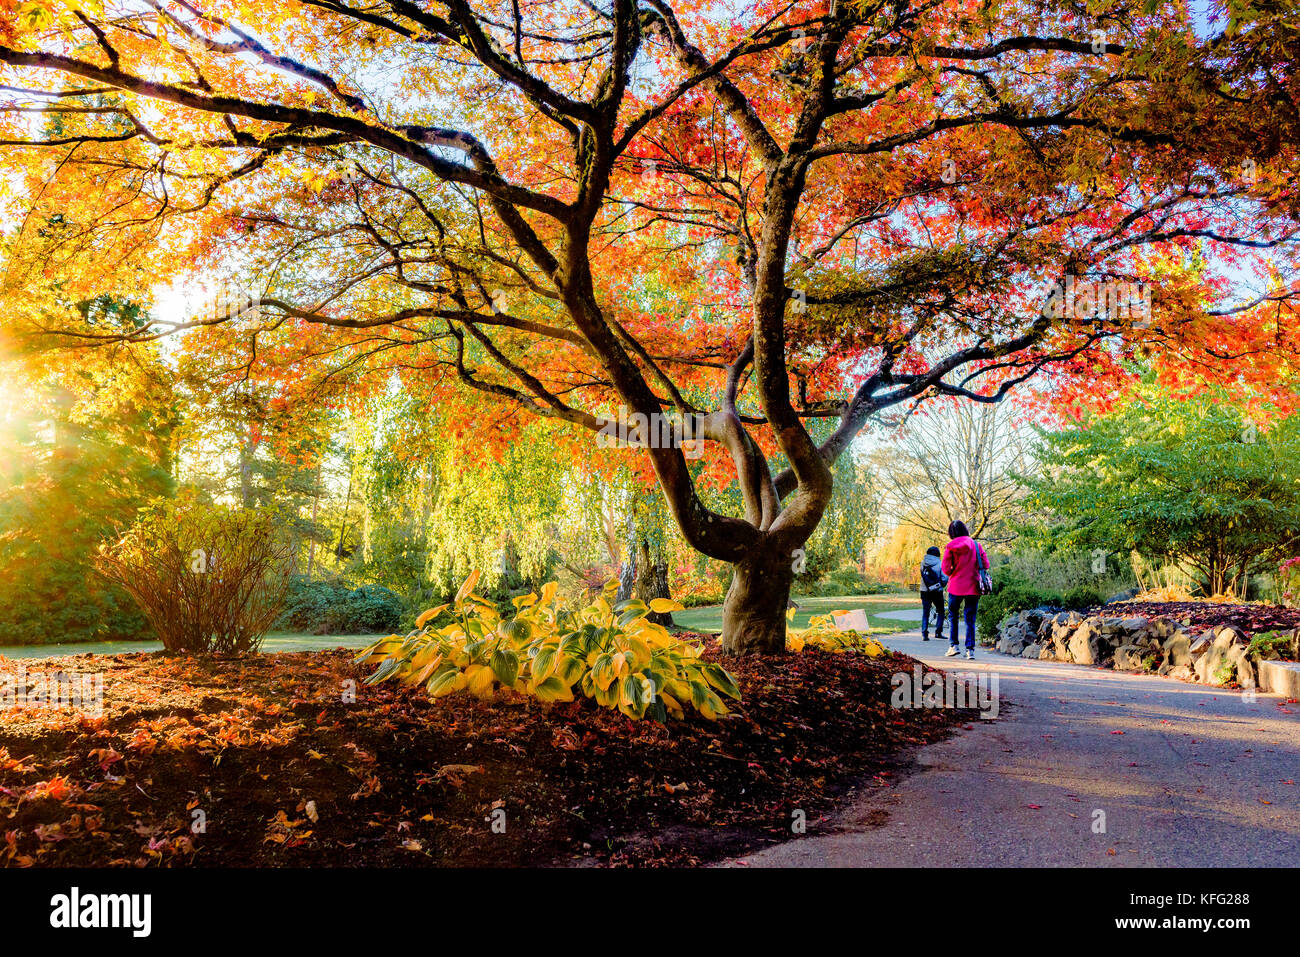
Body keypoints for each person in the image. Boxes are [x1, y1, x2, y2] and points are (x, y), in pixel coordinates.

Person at [941, 520, 989, 660]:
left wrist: (953, 573)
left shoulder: (950, 548)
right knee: (970, 619)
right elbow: (986, 564)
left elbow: (945, 569)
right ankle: (970, 650)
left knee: (953, 616)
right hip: (973, 586)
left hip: (955, 586)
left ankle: (954, 646)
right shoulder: (976, 545)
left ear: (951, 533)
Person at [918, 546, 948, 641]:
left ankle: (924, 634)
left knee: (925, 612)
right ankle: (938, 632)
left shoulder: (923, 563)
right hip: (936, 591)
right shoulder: (940, 563)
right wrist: (941, 585)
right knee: (941, 611)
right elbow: (945, 578)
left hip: (924, 590)